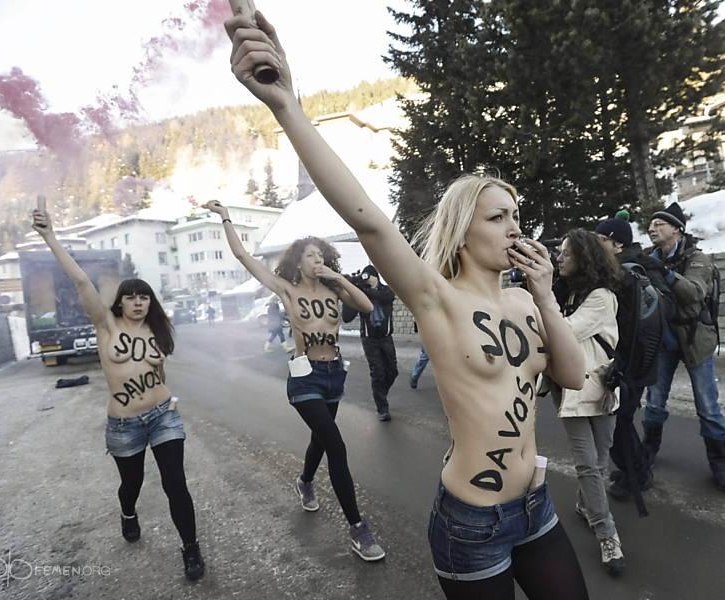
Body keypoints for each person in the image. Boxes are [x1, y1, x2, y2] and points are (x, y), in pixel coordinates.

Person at [224, 13, 589, 598]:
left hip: (536, 507)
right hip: (473, 523)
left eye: (516, 216)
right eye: (497, 217)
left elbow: (572, 377)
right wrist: (287, 106)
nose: (514, 228)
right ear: (463, 232)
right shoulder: (436, 298)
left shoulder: (526, 299)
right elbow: (367, 219)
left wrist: (546, 294)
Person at [203, 200, 386, 562]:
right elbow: (243, 256)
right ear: (299, 262)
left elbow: (366, 307)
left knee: (321, 437)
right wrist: (226, 217)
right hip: (305, 379)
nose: (318, 262)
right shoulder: (287, 290)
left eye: (322, 256)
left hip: (335, 374)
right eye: (312, 257)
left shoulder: (335, 289)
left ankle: (304, 481)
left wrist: (337, 277)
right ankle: (358, 528)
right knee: (335, 445)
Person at [31, 208, 205, 581]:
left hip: (162, 416)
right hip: (124, 424)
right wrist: (50, 237)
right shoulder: (105, 325)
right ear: (121, 302)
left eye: (144, 296)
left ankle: (190, 547)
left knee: (176, 483)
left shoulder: (158, 330)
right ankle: (128, 512)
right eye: (131, 297)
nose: (139, 302)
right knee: (132, 484)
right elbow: (80, 281)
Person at [643, 202, 725, 493]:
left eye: (660, 224)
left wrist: (665, 274)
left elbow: (695, 293)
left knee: (707, 405)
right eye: (650, 225)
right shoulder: (650, 258)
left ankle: (720, 462)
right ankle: (648, 451)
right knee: (655, 400)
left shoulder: (698, 259)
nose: (652, 228)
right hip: (663, 340)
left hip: (696, 339)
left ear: (677, 229)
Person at [551, 229, 625, 576]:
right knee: (588, 463)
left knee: (601, 457)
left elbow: (564, 332)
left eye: (566, 253)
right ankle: (607, 533)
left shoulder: (600, 297)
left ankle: (586, 504)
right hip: (575, 389)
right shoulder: (572, 292)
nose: (559, 257)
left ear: (584, 256)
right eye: (559, 252)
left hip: (602, 386)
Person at [593, 211, 667, 503]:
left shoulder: (635, 271)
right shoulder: (625, 268)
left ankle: (638, 472)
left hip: (632, 362)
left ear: (618, 245)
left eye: (601, 239)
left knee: (617, 420)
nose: (595, 244)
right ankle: (632, 469)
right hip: (636, 361)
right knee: (619, 419)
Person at [342, 265, 398, 421]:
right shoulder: (360, 295)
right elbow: (347, 317)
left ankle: (381, 393)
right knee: (378, 372)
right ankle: (382, 408)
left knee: (392, 371)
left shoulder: (385, 290)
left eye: (367, 276)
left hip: (386, 338)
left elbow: (386, 297)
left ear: (375, 276)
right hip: (369, 340)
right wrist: (351, 291)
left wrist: (363, 290)